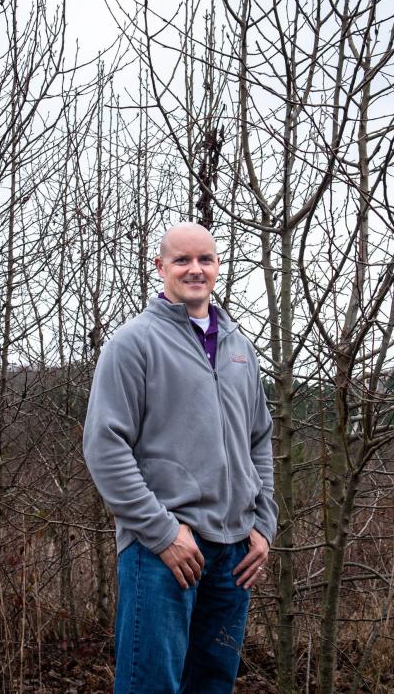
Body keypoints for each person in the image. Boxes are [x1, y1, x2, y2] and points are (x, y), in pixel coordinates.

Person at [83, 222, 278, 693]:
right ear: (161, 268)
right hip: (163, 553)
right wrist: (162, 532)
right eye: (182, 260)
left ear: (217, 266)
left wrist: (264, 526)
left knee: (212, 685)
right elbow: (104, 446)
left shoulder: (240, 350)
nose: (195, 269)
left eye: (205, 259)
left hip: (235, 555)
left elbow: (260, 441)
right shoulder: (133, 343)